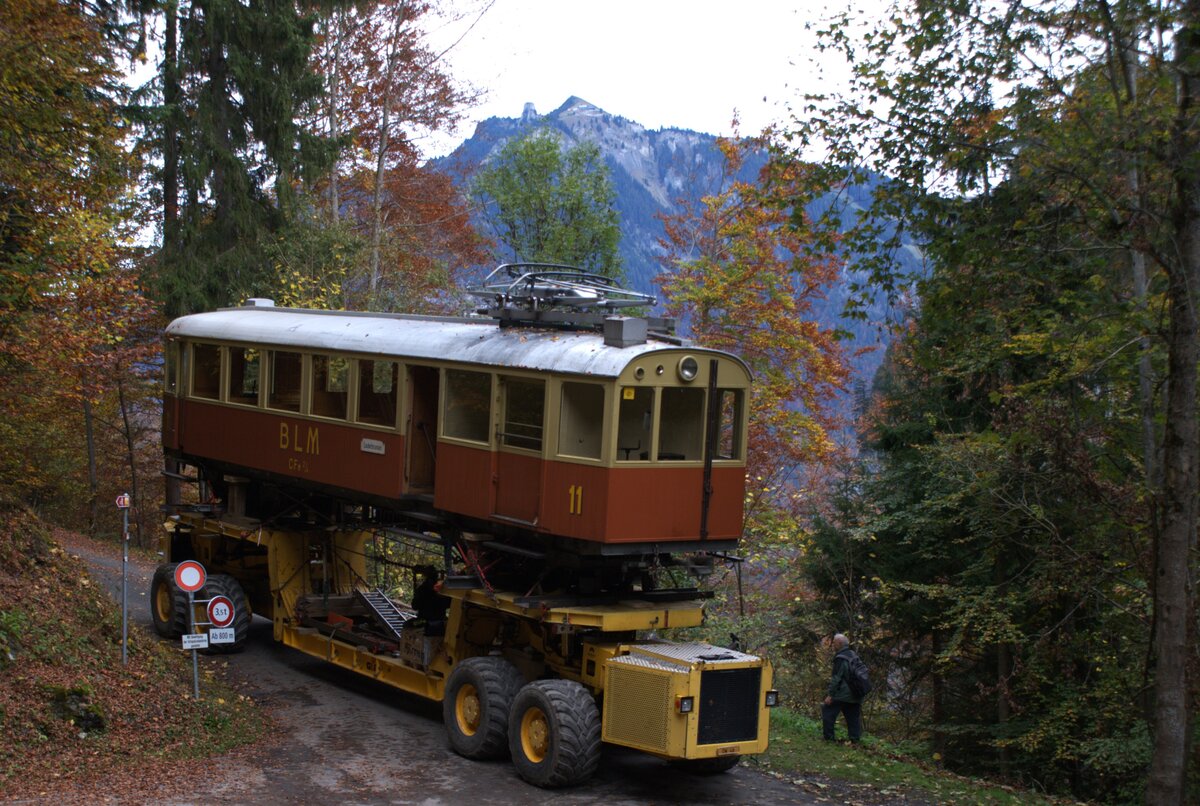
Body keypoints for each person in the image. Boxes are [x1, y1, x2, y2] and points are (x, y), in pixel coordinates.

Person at [822, 633, 864, 743]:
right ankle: (855, 740)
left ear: (840, 643)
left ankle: (829, 738)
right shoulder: (853, 655)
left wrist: (830, 695)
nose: (832, 645)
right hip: (856, 693)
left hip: (843, 694)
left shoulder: (840, 658)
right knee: (853, 718)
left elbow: (836, 678)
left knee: (828, 711)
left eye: (834, 643)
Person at [411, 566, 450, 635]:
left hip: (424, 621)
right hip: (440, 621)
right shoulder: (442, 589)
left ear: (426, 577)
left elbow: (414, 606)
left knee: (408, 624)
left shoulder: (422, 589)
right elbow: (449, 604)